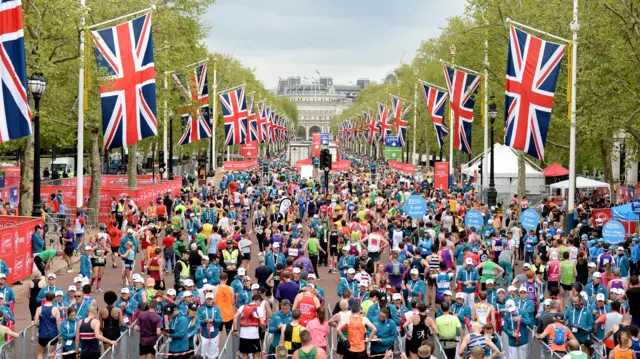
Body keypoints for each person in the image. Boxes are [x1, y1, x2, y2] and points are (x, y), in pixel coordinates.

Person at [235, 294, 266, 359]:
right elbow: (262, 322)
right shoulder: (258, 308)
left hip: (243, 335)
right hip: (254, 335)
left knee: (245, 355)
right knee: (256, 355)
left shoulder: (243, 307)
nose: (260, 304)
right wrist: (264, 326)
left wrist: (235, 329)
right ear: (258, 300)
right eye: (260, 302)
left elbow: (235, 316)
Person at [35, 292, 61, 359]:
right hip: (53, 335)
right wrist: (60, 335)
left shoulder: (39, 309)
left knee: (40, 353)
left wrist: (40, 326)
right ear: (53, 299)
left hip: (42, 334)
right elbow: (58, 324)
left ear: (45, 298)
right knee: (51, 354)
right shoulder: (56, 310)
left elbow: (35, 323)